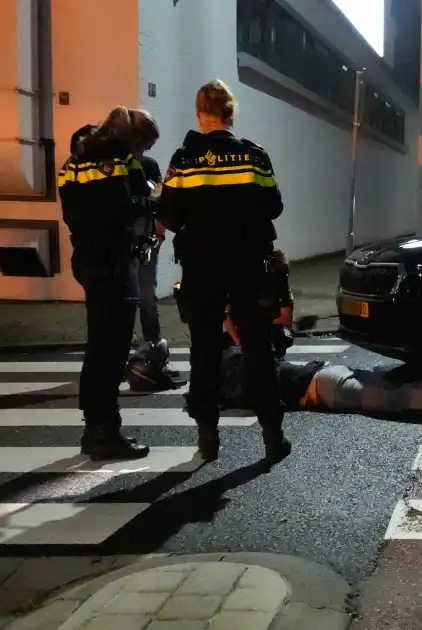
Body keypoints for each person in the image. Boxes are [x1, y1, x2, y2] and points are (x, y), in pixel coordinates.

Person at [158, 79, 289, 464]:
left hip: (200, 268)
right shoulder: (254, 156)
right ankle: (271, 436)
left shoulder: (183, 160)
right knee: (256, 347)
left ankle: (208, 438)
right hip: (247, 265)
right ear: (231, 114)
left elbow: (167, 215)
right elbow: (274, 206)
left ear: (200, 115)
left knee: (204, 349)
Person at [58, 107, 160, 460]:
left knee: (98, 347)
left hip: (86, 258)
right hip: (113, 264)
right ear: (132, 138)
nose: (142, 155)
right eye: (143, 146)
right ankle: (104, 432)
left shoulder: (76, 159)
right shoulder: (114, 160)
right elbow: (123, 209)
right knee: (110, 351)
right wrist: (149, 199)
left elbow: (76, 210)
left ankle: (96, 428)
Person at [218, 347, 422, 423]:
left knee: (387, 399)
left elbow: (256, 399)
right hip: (328, 373)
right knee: (387, 384)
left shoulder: (253, 382)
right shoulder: (265, 364)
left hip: (324, 387)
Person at [130, 155, 178, 377]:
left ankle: (156, 351)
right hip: (122, 241)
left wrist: (159, 232)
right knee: (125, 300)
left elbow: (160, 199)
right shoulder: (111, 163)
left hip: (145, 240)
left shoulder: (147, 164)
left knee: (147, 296)